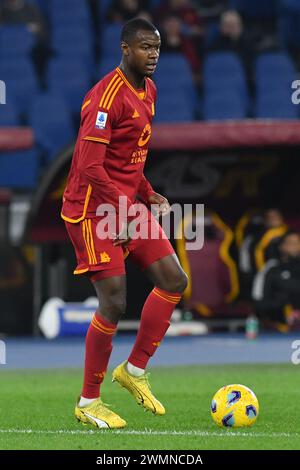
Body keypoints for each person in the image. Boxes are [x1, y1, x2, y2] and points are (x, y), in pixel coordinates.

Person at [61, 18, 188, 429]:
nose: (152, 54)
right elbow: (90, 166)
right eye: (144, 47)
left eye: (157, 47)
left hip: (125, 202)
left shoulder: (149, 90)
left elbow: (129, 156)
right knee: (113, 300)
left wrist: (147, 192)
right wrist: (121, 211)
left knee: (173, 279)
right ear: (124, 49)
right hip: (89, 208)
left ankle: (133, 371)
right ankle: (88, 401)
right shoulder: (105, 98)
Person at [252, 231, 300, 331]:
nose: (294, 247)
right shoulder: (271, 268)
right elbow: (258, 302)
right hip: (276, 328)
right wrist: (280, 304)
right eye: (290, 243)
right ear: (281, 246)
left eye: (297, 243)